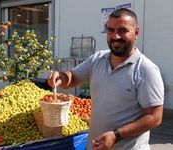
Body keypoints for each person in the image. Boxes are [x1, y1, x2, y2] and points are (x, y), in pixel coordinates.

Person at [47, 8, 164, 150]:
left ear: (136, 33)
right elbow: (72, 78)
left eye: (123, 30)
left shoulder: (146, 70)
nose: (115, 36)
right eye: (111, 30)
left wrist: (117, 135)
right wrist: (61, 77)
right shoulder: (98, 59)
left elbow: (154, 117)